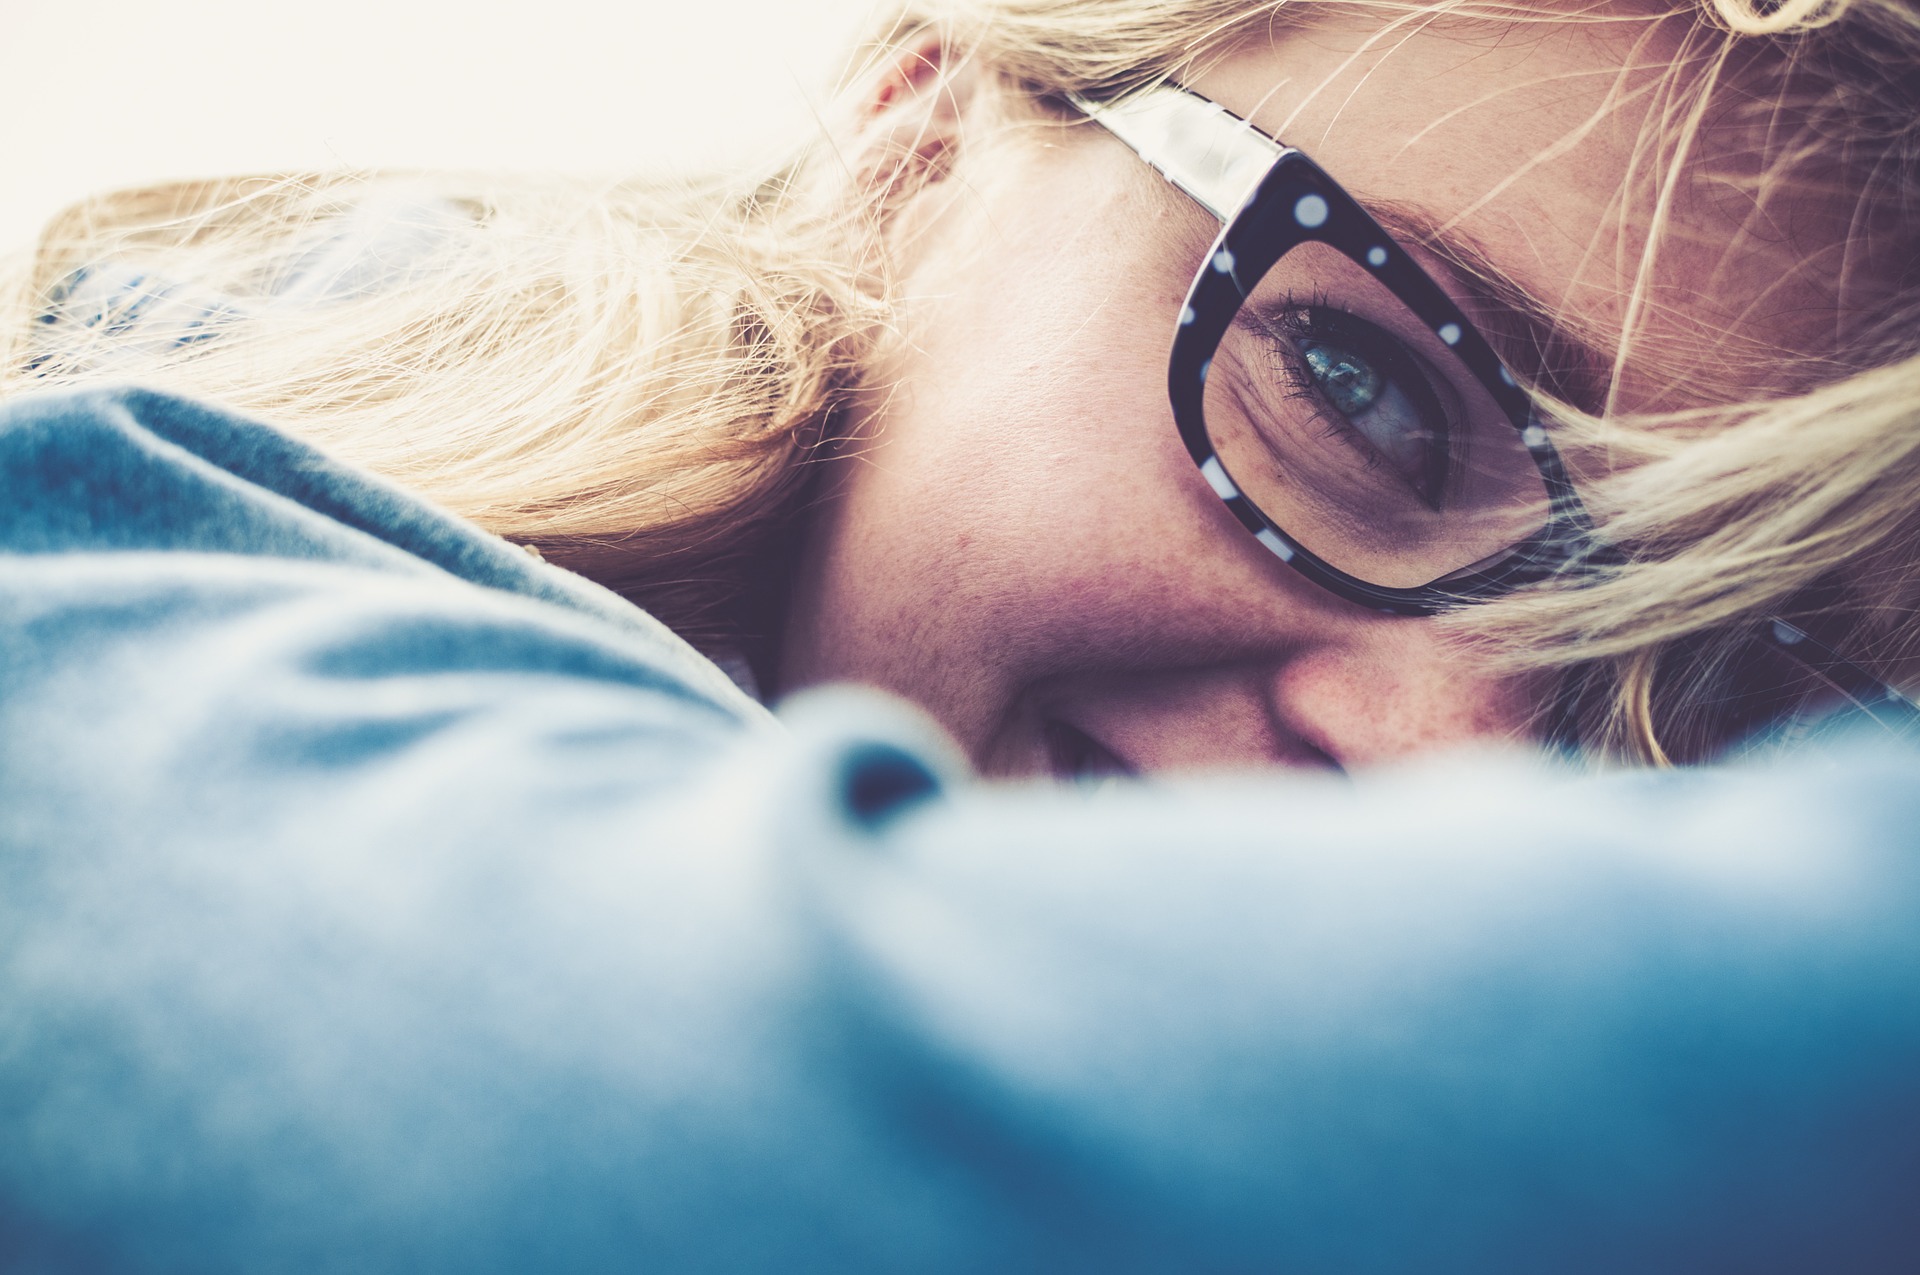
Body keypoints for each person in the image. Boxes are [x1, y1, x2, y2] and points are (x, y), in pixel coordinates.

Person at [0, 0, 1915, 1269]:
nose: (1445, 766)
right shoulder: (155, 593)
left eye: (1742, 682)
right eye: (1365, 390)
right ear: (915, 131)